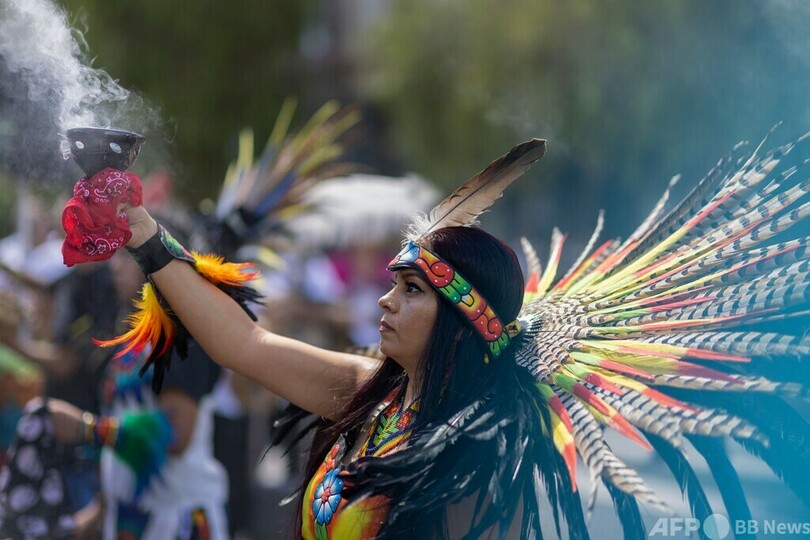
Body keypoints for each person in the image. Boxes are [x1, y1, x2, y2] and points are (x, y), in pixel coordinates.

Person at [57, 134, 810, 538]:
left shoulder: (478, 465)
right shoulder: (367, 396)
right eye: (391, 283)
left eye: (409, 291)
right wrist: (145, 235)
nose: (384, 302)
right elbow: (242, 346)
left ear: (460, 323)